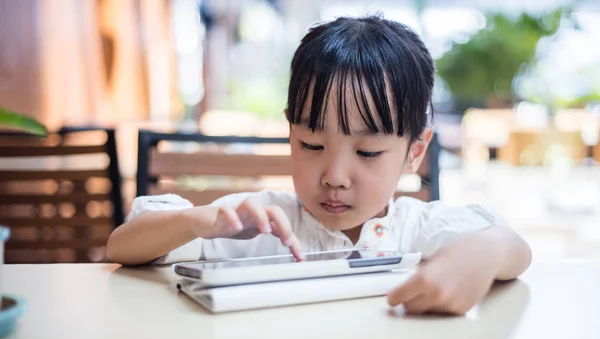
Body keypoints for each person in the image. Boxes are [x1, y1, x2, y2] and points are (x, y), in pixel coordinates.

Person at [107, 15, 531, 315]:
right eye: (311, 144)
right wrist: (197, 222)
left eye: (366, 152)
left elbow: (514, 247)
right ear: (291, 133)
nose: (334, 177)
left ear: (415, 152)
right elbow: (122, 247)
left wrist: (488, 250)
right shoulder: (259, 225)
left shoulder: (417, 230)